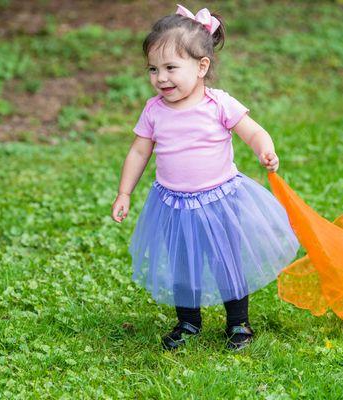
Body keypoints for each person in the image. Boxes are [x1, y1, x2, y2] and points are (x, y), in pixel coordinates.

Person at [111, 4, 299, 351]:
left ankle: (238, 323)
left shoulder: (218, 104)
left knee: (225, 259)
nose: (161, 78)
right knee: (184, 263)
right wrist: (124, 192)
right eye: (153, 69)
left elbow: (254, 131)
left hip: (219, 200)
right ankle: (188, 321)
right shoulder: (154, 110)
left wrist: (265, 150)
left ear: (201, 67)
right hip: (173, 202)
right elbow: (139, 151)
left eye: (170, 68)